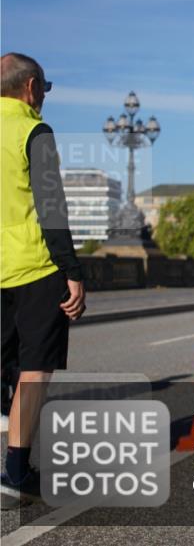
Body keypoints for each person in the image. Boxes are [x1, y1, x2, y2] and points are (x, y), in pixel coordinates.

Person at [1, 53, 86, 504]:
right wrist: (72, 271)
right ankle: (15, 471)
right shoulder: (34, 130)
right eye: (45, 90)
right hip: (33, 267)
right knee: (33, 371)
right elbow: (51, 206)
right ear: (31, 87)